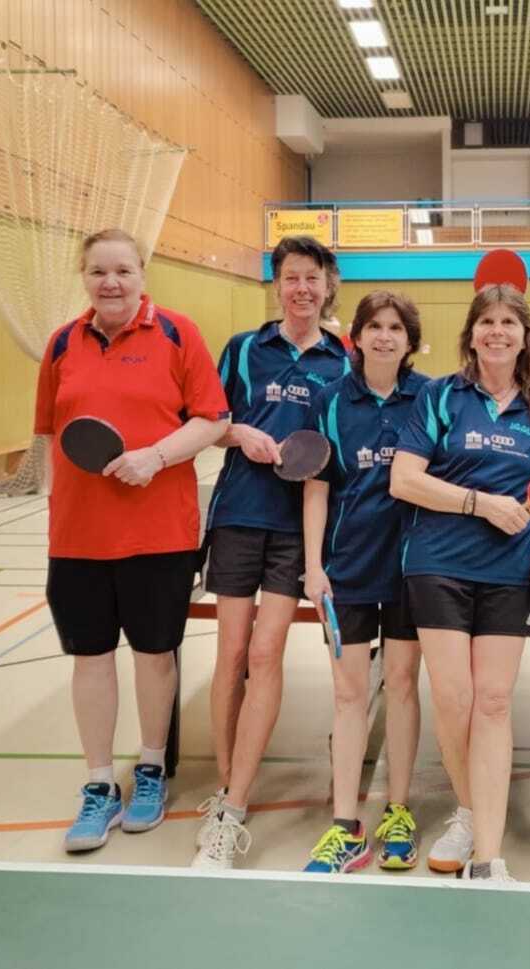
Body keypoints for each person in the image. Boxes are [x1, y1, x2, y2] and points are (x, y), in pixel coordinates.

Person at [34, 228, 228, 852]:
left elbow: (213, 420)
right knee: (90, 658)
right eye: (98, 272)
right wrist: (58, 508)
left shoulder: (177, 333)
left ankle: (148, 768)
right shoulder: (62, 343)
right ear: (84, 277)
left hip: (159, 532)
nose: (111, 282)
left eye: (122, 270)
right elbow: (51, 432)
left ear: (142, 274)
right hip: (78, 537)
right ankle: (98, 782)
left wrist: (155, 457)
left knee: (154, 654)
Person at [391, 283, 530, 883]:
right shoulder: (441, 396)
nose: (497, 331)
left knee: (493, 702)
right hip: (438, 563)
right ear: (471, 334)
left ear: (525, 337)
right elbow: (404, 480)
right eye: (486, 322)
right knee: (455, 700)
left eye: (508, 323)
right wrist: (480, 503)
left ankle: (489, 857)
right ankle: (468, 814)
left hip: (509, 571)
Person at [194, 235, 350, 870]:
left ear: (328, 285)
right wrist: (239, 432)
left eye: (312, 277)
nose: (302, 288)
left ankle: (234, 802)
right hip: (238, 515)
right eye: (291, 277)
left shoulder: (343, 359)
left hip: (297, 529)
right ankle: (228, 788)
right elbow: (207, 424)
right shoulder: (243, 349)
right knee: (231, 654)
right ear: (278, 285)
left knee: (265, 653)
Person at [300, 291, 429, 873]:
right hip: (346, 568)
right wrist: (313, 566)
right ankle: (345, 824)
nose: (384, 336)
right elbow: (317, 486)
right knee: (350, 694)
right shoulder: (330, 400)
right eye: (374, 326)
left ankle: (398, 810)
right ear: (356, 337)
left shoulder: (429, 397)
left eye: (395, 328)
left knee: (401, 686)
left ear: (410, 340)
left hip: (409, 565)